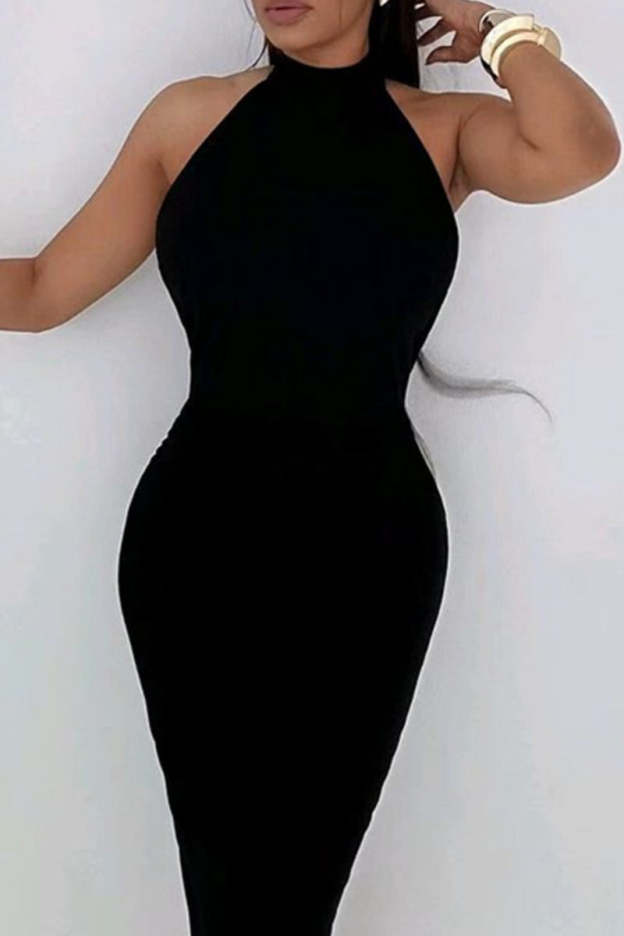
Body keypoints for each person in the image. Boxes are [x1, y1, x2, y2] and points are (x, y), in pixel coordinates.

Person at [1, 1, 619, 933]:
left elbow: (580, 148)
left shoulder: (443, 130)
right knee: (232, 893)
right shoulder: (187, 117)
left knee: (291, 898)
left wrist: (491, 29)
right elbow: (44, 288)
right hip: (197, 547)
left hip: (371, 555)